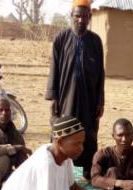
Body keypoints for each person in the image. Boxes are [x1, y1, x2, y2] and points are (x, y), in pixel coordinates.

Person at [45, 0, 104, 180]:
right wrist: (53, 97)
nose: (81, 20)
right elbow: (54, 68)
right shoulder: (61, 39)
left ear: (89, 18)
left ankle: (83, 176)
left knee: (87, 135)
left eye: (85, 17)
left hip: (89, 99)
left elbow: (101, 73)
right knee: (64, 132)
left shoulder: (95, 41)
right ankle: (59, 173)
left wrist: (100, 100)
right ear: (71, 16)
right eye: (77, 16)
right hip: (66, 97)